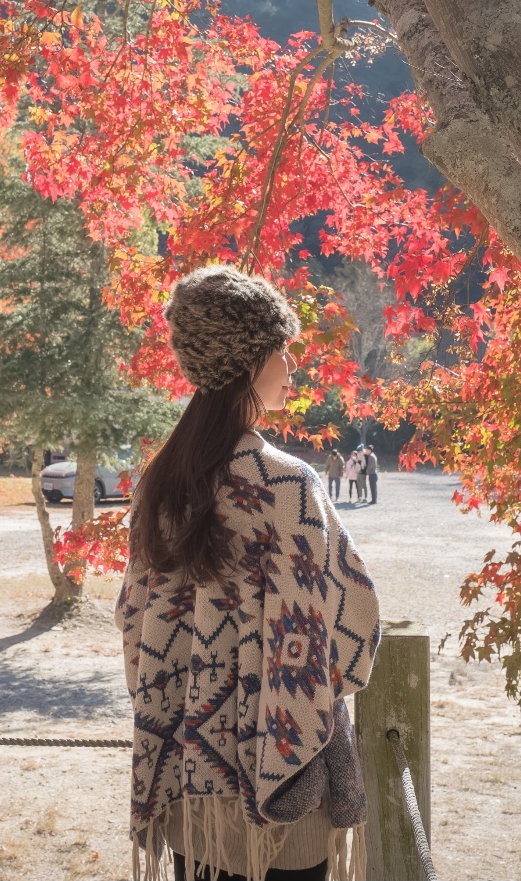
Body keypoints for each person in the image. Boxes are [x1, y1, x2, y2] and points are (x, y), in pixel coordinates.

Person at [119, 265, 382, 881]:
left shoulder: (160, 486)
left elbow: (133, 622)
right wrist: (304, 695)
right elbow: (355, 621)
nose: (290, 367)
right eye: (280, 350)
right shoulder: (288, 486)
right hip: (282, 787)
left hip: (191, 785)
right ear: (246, 361)